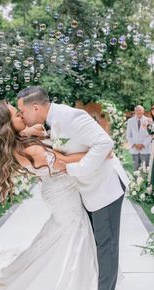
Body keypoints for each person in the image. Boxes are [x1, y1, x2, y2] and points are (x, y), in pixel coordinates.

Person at [0, 100, 113, 290]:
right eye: (17, 115)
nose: (22, 116)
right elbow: (63, 162)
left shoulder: (16, 142)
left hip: (58, 191)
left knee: (58, 234)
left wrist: (30, 132)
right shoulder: (29, 150)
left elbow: (32, 138)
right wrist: (98, 152)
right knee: (72, 232)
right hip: (62, 195)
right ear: (7, 125)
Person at [17, 86, 129, 290]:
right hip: (89, 189)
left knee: (106, 247)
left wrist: (72, 168)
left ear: (35, 107)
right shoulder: (49, 122)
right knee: (98, 245)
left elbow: (105, 144)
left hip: (105, 187)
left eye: (21, 111)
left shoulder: (71, 116)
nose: (21, 116)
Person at [126, 105, 152, 171]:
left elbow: (150, 135)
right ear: (135, 111)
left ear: (143, 111)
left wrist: (143, 145)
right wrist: (134, 145)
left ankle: (145, 181)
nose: (138, 111)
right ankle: (135, 181)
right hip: (135, 149)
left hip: (145, 149)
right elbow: (128, 135)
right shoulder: (130, 121)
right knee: (135, 169)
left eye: (140, 110)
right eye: (137, 110)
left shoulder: (148, 120)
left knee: (145, 169)